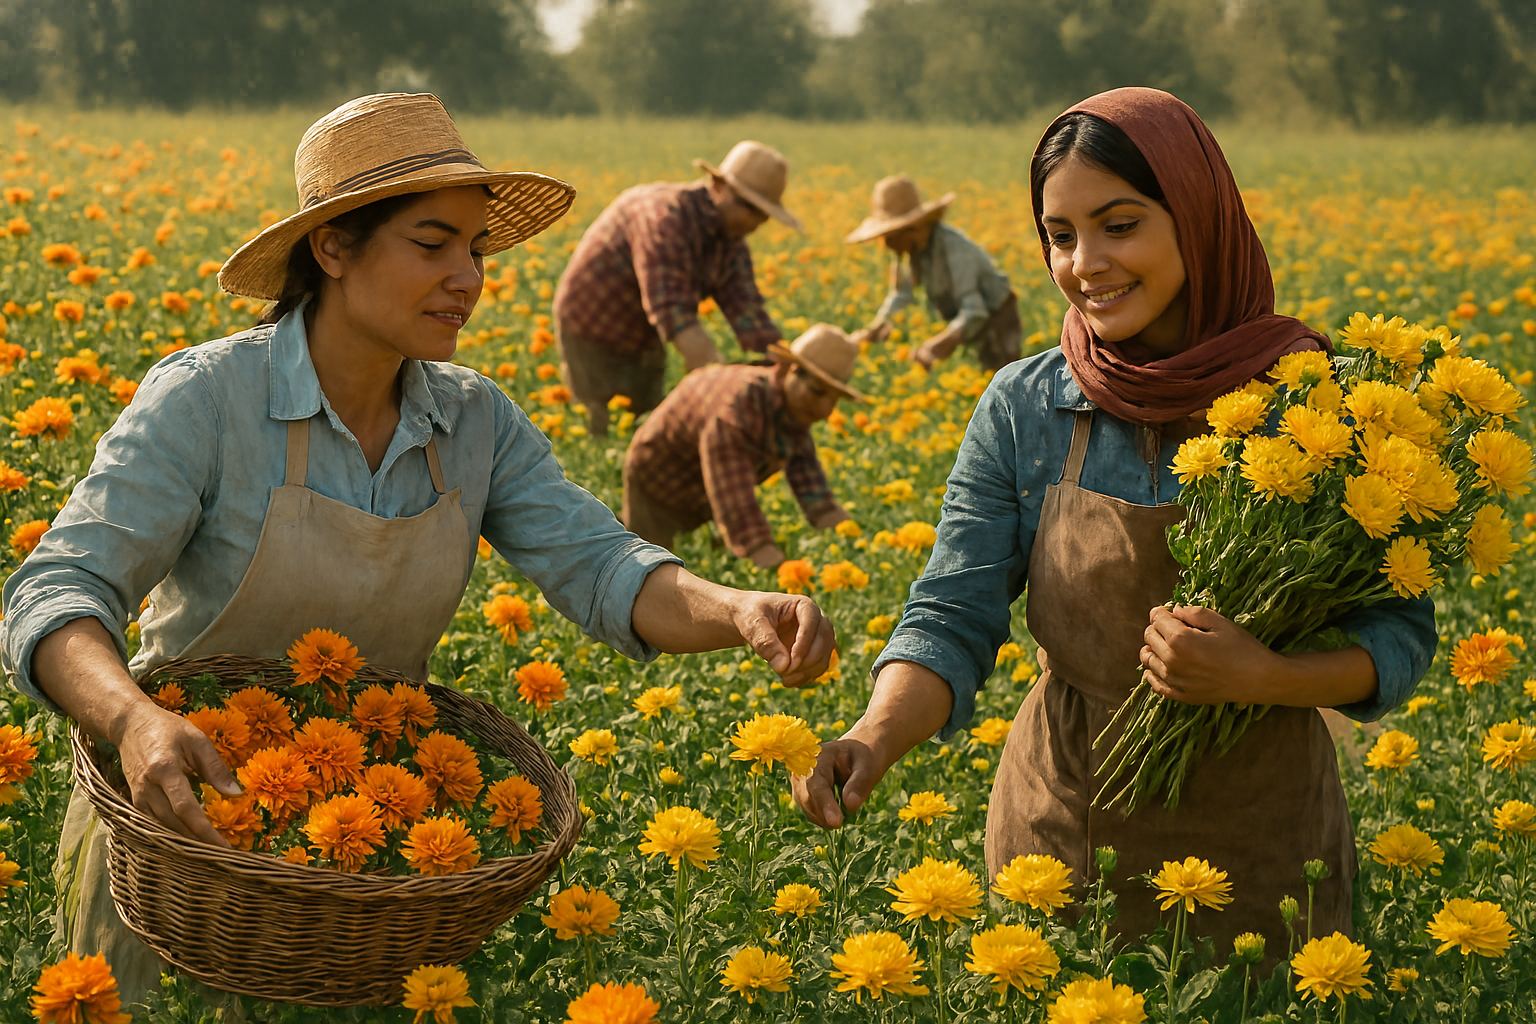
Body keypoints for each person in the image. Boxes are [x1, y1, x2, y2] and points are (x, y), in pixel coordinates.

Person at [1, 93, 835, 1007]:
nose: (468, 278)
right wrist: (132, 721)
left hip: (366, 870)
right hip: (183, 843)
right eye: (432, 244)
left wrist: (741, 611)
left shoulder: (473, 420)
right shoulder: (208, 400)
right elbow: (57, 592)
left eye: (476, 250)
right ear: (332, 248)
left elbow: (604, 568)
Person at [793, 88, 1436, 951]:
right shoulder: (1027, 405)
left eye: (1119, 225)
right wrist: (873, 734)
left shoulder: (1315, 404)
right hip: (1059, 838)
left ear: (1197, 217)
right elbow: (952, 611)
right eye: (1059, 235)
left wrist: (1262, 676)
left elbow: (1398, 636)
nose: (1084, 262)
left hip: (1262, 851)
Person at [552, 140, 801, 436]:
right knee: (599, 430)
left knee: (642, 426)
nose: (755, 222)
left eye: (763, 214)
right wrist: (719, 391)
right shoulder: (665, 217)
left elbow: (750, 314)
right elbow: (674, 313)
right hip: (591, 327)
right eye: (748, 207)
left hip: (644, 337)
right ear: (718, 187)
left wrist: (789, 375)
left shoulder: (731, 240)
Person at [622, 323, 863, 569]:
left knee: (713, 570)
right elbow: (737, 507)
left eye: (834, 400)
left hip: (705, 492)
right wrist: (775, 570)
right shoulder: (736, 410)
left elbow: (813, 490)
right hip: (657, 480)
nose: (825, 411)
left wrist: (856, 544)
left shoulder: (793, 412)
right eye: (817, 392)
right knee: (650, 571)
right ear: (786, 370)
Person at [846, 174, 1021, 373]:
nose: (885, 244)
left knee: (1001, 379)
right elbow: (901, 295)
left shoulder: (955, 250)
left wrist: (940, 343)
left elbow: (975, 310)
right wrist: (875, 328)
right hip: (965, 317)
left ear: (912, 229)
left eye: (889, 236)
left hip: (996, 316)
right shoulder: (907, 252)